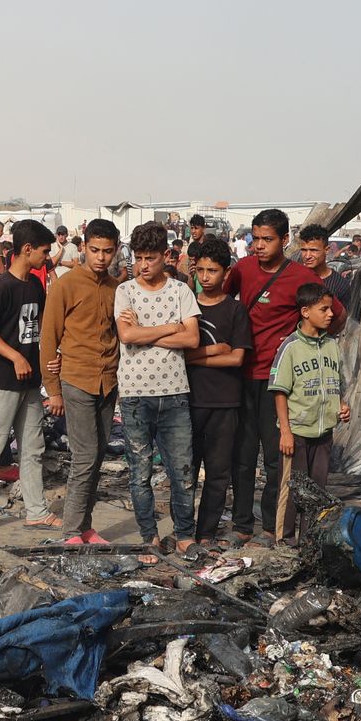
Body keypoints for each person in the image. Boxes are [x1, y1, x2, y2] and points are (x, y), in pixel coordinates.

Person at [225, 208, 326, 544]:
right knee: (241, 456)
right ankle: (241, 524)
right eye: (255, 238)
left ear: (285, 240)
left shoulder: (300, 277)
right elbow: (224, 303)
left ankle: (272, 526)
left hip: (277, 383)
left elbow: (332, 315)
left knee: (274, 458)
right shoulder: (241, 269)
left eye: (267, 239)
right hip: (241, 375)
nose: (259, 245)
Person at [0, 218, 59, 537]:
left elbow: (41, 327)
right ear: (27, 249)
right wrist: (15, 355)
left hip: (30, 383)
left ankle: (36, 511)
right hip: (2, 380)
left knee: (33, 448)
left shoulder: (34, 284)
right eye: (44, 251)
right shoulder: (3, 287)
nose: (48, 257)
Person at [113, 221, 201, 555]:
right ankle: (148, 536)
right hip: (136, 395)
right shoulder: (125, 291)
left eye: (150, 257)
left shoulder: (180, 291)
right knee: (140, 473)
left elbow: (191, 338)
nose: (143, 265)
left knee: (182, 470)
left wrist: (146, 331)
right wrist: (169, 327)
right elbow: (127, 336)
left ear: (165, 256)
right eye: (138, 258)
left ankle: (184, 535)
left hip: (175, 392)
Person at [40, 218, 121, 544]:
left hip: (108, 381)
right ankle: (71, 531)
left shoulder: (117, 288)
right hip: (76, 379)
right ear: (83, 248)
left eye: (108, 251)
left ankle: (85, 526)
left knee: (98, 455)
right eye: (95, 250)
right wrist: (53, 390)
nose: (101, 257)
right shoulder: (66, 284)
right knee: (85, 457)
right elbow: (49, 339)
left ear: (115, 251)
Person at [268, 283, 351, 534]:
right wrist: (285, 431)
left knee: (317, 492)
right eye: (323, 309)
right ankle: (285, 539)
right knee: (293, 488)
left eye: (330, 309)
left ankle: (309, 538)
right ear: (305, 311)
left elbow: (337, 384)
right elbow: (279, 391)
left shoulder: (332, 346)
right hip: (297, 433)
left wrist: (342, 405)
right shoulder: (290, 347)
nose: (330, 314)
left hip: (323, 432)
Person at [184, 236, 250, 546]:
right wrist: (216, 350)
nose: (206, 277)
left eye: (213, 271)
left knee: (217, 474)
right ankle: (183, 532)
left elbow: (237, 358)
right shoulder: (186, 307)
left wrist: (199, 355)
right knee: (185, 472)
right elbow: (180, 354)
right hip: (189, 401)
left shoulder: (235, 310)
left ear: (226, 272)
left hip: (225, 402)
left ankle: (206, 533)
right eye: (202, 271)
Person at [293, 224, 350, 310]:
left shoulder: (339, 284)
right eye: (304, 250)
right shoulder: (294, 279)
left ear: (326, 250)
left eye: (313, 250)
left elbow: (342, 319)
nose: (307, 256)